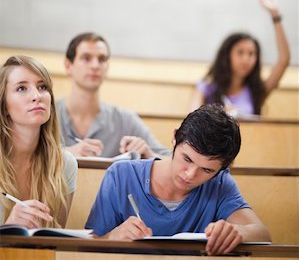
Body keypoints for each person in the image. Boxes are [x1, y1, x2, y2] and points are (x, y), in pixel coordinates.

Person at [85, 104, 271, 255]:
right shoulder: (121, 175)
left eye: (206, 169)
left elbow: (263, 234)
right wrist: (111, 237)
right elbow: (84, 249)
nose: (190, 175)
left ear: (221, 169)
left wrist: (238, 232)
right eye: (187, 159)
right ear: (174, 138)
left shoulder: (220, 184)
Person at [56, 32, 170, 158]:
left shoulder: (125, 120)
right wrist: (65, 154)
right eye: (86, 58)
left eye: (101, 59)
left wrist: (149, 154)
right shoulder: (47, 114)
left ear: (107, 67)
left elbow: (170, 161)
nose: (95, 65)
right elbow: (30, 156)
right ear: (68, 66)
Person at [0, 55, 77, 228]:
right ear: (4, 106)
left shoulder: (64, 164)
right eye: (21, 88)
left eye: (42, 87)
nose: (36, 96)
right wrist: (8, 230)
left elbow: (54, 244)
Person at [191, 0, 290, 116]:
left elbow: (284, 60)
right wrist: (217, 116)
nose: (246, 59)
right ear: (227, 56)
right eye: (240, 52)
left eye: (251, 54)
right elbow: (191, 123)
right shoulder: (205, 89)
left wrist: (275, 14)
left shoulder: (256, 91)